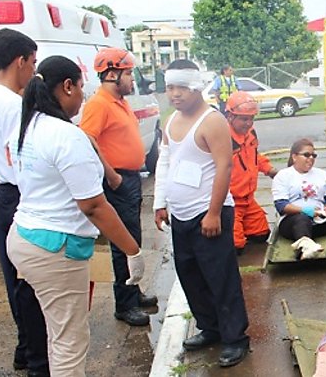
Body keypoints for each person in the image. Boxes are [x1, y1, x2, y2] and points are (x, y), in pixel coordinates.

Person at [7, 55, 145, 376]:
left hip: (25, 235)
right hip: (53, 248)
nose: (83, 95)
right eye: (82, 87)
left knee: (58, 333)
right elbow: (93, 206)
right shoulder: (65, 135)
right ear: (67, 86)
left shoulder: (28, 125)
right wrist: (132, 251)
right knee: (69, 343)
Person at [153, 59, 250, 368]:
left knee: (221, 278)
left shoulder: (212, 121)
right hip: (180, 215)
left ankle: (235, 338)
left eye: (181, 87)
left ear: (195, 86)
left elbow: (224, 166)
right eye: (170, 88)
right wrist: (160, 202)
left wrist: (212, 213)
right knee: (190, 275)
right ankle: (211, 328)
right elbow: (164, 161)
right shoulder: (170, 121)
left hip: (209, 213)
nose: (175, 94)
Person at [0, 28, 50, 377]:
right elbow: (23, 159)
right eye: (33, 62)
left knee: (15, 278)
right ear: (20, 61)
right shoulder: (12, 104)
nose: (33, 71)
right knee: (29, 279)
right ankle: (37, 357)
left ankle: (26, 348)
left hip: (1, 194)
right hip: (17, 194)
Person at [79, 47, 156, 327]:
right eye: (128, 73)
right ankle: (124, 304)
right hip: (119, 182)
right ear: (112, 74)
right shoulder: (99, 104)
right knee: (123, 243)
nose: (132, 79)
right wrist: (111, 175)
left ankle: (133, 292)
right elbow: (87, 139)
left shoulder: (118, 101)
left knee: (133, 239)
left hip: (131, 179)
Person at [225, 91, 276, 254]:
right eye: (244, 119)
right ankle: (230, 230)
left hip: (248, 199)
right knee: (236, 247)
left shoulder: (250, 134)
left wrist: (270, 170)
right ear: (230, 116)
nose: (248, 123)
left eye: (251, 118)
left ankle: (239, 228)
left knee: (262, 235)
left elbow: (255, 156)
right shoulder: (222, 138)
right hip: (231, 202)